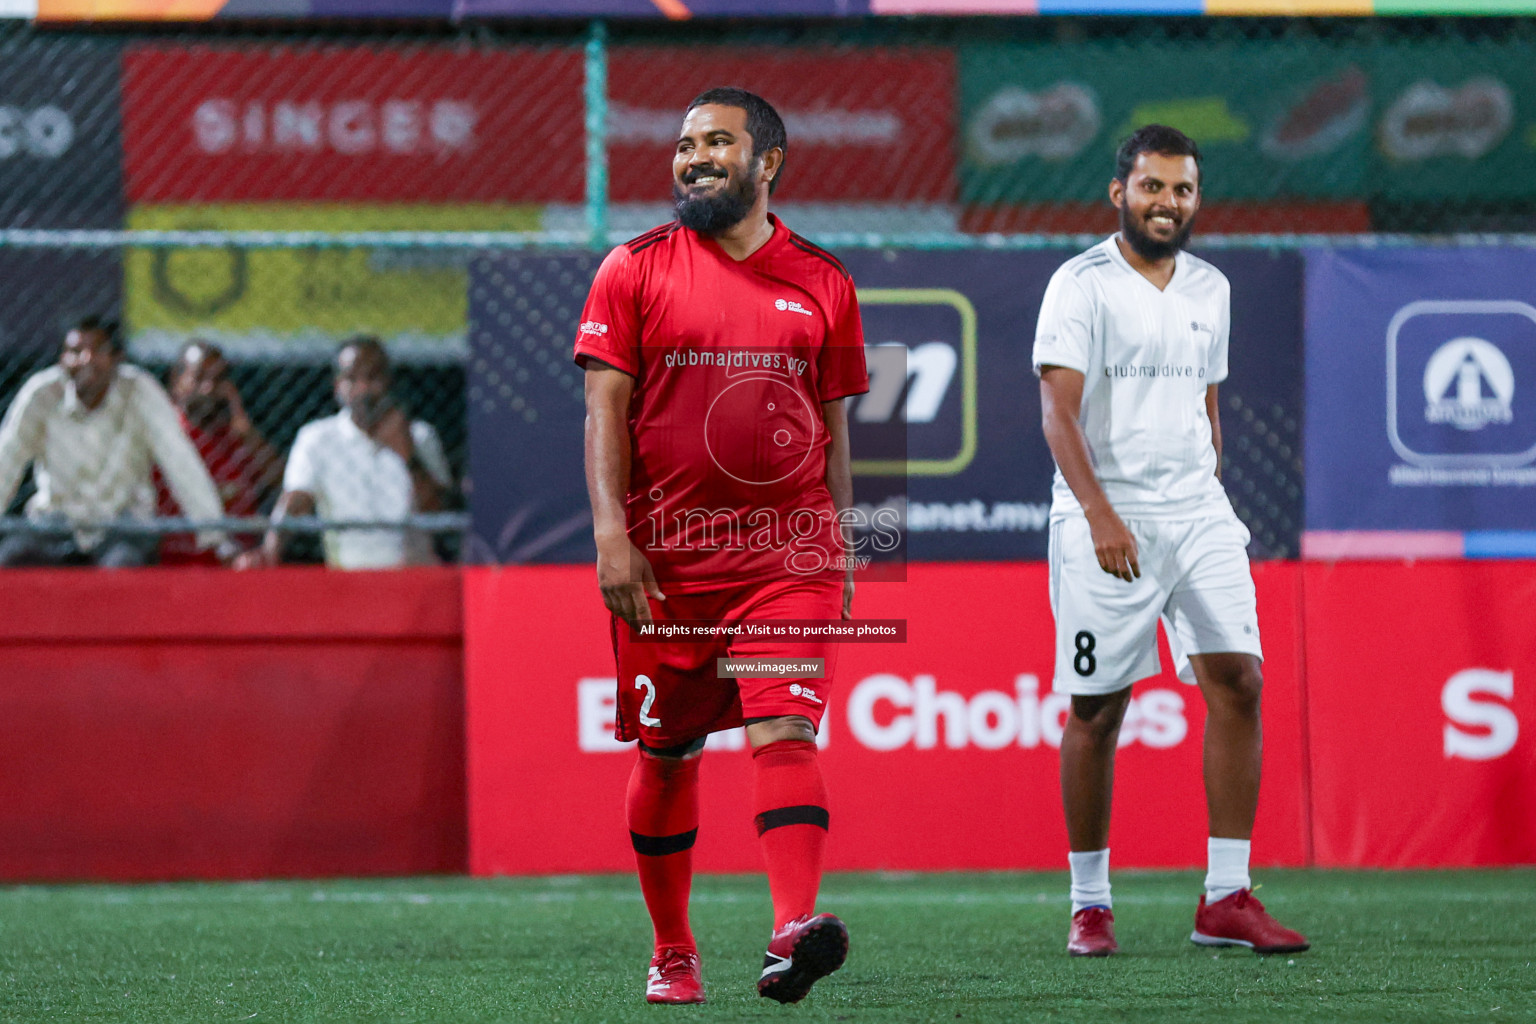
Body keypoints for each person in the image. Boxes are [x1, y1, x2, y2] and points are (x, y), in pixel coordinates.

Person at [576, 87, 868, 1005]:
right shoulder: (630, 269)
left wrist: (844, 546)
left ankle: (792, 929)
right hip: (664, 567)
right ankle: (673, 950)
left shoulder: (825, 281)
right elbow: (604, 414)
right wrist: (612, 540)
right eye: (683, 144)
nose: (692, 157)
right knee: (668, 753)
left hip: (790, 556)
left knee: (785, 724)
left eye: (715, 142)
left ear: (767, 161)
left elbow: (836, 434)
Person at [1033, 125, 1309, 958]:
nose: (1167, 203)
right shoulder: (1079, 284)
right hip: (1104, 516)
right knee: (1096, 709)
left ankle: (1226, 896)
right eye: (1152, 188)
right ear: (1119, 193)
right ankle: (1090, 903)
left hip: (1198, 513)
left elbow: (1208, 403)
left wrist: (1209, 482)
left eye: (1182, 190)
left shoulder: (1211, 288)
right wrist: (1102, 514)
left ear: (1196, 199)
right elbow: (1057, 412)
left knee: (1241, 680)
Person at [0, 315, 229, 567]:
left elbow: (180, 460)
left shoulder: (140, 390)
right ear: (61, 359)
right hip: (56, 523)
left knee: (122, 565)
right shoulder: (41, 394)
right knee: (13, 557)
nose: (86, 359)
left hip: (123, 527)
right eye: (75, 351)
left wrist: (215, 535)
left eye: (98, 350)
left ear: (117, 358)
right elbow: (7, 459)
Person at [244, 336, 451, 570]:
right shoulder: (317, 438)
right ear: (337, 386)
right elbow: (296, 500)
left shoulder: (420, 436)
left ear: (389, 381)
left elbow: (440, 516)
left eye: (372, 377)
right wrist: (271, 550)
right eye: (352, 379)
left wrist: (408, 456)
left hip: (413, 577)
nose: (363, 389)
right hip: (348, 577)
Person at [157, 340, 283, 565]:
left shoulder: (234, 435)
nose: (208, 388)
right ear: (177, 382)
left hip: (240, 562)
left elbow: (280, 480)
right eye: (199, 378)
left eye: (217, 380)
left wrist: (244, 428)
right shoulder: (162, 434)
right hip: (178, 563)